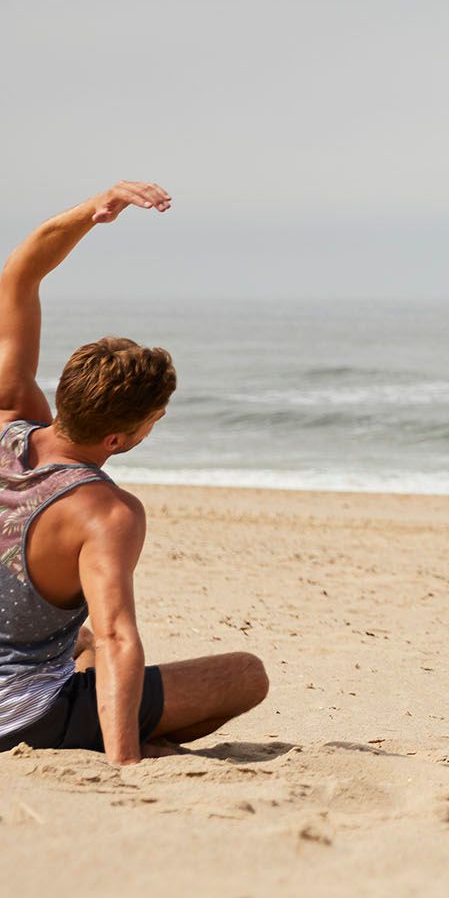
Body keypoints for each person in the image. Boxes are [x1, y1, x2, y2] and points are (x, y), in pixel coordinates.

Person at [0, 182, 268, 762]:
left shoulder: (9, 412)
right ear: (120, 438)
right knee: (245, 674)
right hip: (21, 718)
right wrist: (126, 765)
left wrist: (91, 211)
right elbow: (120, 636)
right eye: (154, 419)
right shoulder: (105, 512)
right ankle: (124, 743)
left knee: (82, 643)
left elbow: (20, 276)